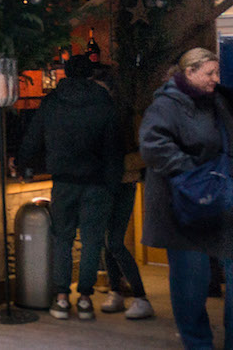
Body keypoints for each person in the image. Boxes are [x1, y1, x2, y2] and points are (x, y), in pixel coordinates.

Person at [139, 47, 233, 348]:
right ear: (189, 73)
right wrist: (192, 174)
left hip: (217, 202)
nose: (216, 79)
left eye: (218, 72)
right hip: (181, 207)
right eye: (210, 73)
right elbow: (153, 146)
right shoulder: (165, 105)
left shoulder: (217, 101)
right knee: (190, 283)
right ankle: (197, 343)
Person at [18, 55, 122, 320]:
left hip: (64, 182)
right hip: (97, 183)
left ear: (65, 72)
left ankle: (62, 299)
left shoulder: (52, 102)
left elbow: (33, 138)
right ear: (91, 74)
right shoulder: (104, 102)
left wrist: (21, 162)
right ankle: (85, 300)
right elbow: (114, 147)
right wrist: (112, 182)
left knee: (62, 239)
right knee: (91, 241)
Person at [92, 65, 154, 320]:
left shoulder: (127, 115)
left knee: (114, 240)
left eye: (97, 87)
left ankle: (140, 297)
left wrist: (115, 165)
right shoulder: (96, 114)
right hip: (103, 183)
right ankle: (116, 292)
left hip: (122, 182)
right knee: (107, 240)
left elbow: (143, 154)